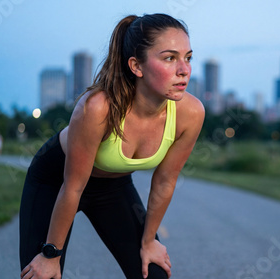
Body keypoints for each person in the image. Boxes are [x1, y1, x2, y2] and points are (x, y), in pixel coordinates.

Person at [19, 13, 204, 279]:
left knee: (153, 273)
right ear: (136, 66)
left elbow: (165, 181)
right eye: (169, 58)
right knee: (42, 275)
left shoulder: (191, 113)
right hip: (56, 181)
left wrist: (149, 240)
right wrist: (51, 254)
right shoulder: (97, 108)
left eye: (188, 58)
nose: (184, 69)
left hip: (113, 187)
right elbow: (73, 186)